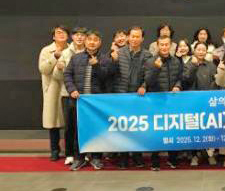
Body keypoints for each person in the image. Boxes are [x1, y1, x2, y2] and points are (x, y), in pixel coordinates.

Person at [64, 30, 114, 170]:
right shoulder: (76, 58)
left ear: (100, 42)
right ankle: (79, 158)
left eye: (95, 40)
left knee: (97, 130)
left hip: (96, 103)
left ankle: (96, 158)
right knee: (79, 130)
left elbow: (107, 78)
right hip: (79, 101)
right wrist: (72, 89)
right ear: (85, 41)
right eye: (89, 39)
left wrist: (96, 65)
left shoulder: (105, 59)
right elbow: (67, 75)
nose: (92, 42)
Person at [111, 26, 152, 169]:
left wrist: (144, 86)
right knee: (122, 127)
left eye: (137, 36)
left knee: (136, 127)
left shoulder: (147, 55)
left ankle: (137, 155)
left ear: (142, 39)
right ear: (128, 37)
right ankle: (123, 157)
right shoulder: (119, 53)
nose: (134, 39)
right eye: (132, 36)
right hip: (121, 95)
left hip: (138, 96)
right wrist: (113, 60)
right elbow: (111, 73)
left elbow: (149, 75)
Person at [144, 35, 183, 170]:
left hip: (173, 102)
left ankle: (173, 159)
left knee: (173, 130)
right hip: (156, 102)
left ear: (170, 45)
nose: (164, 47)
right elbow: (148, 82)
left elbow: (180, 78)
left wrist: (178, 86)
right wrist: (156, 68)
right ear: (157, 46)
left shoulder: (176, 61)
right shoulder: (151, 61)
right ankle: (155, 161)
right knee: (157, 131)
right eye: (162, 44)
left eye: (167, 44)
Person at [52, 26, 87, 166]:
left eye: (82, 35)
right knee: (69, 126)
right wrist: (59, 68)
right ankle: (70, 154)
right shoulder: (65, 53)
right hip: (67, 94)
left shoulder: (89, 52)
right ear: (72, 37)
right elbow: (56, 76)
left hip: (85, 96)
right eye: (76, 35)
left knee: (83, 126)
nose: (79, 37)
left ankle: (84, 153)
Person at [182, 41, 219, 166]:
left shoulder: (211, 65)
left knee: (208, 130)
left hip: (208, 103)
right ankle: (194, 156)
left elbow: (216, 82)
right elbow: (186, 80)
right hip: (193, 103)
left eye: (203, 50)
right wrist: (193, 65)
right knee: (194, 130)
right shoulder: (188, 64)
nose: (201, 52)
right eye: (199, 49)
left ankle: (209, 155)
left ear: (206, 51)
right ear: (194, 50)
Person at [39, 25, 70, 161]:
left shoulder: (72, 49)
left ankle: (71, 150)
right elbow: (43, 69)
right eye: (58, 33)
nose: (61, 35)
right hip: (52, 89)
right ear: (53, 37)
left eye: (64, 32)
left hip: (68, 87)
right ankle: (54, 149)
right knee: (53, 121)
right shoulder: (46, 50)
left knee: (70, 121)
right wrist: (54, 57)